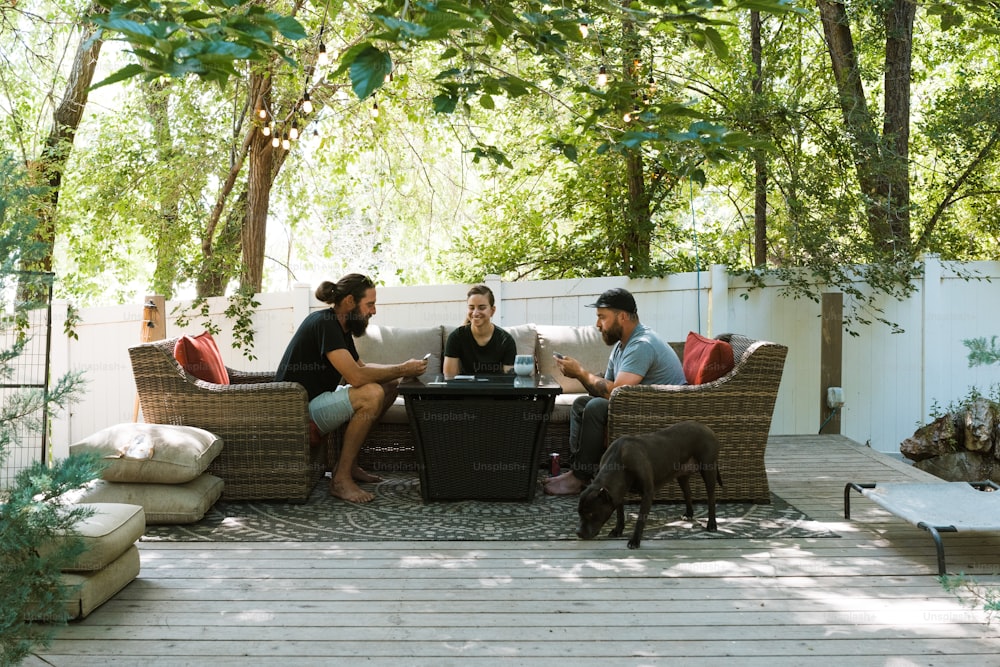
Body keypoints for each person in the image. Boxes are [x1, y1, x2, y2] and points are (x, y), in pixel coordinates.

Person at [275, 274, 428, 503]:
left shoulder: (340, 326)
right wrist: (401, 368)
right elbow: (356, 377)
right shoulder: (324, 323)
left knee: (388, 385)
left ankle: (350, 463)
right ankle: (340, 479)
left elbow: (362, 367)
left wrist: (402, 370)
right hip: (298, 410)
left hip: (316, 401)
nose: (373, 311)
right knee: (371, 393)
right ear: (349, 301)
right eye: (370, 304)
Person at [544, 287, 686, 496]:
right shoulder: (622, 345)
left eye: (602, 317)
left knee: (595, 407)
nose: (597, 325)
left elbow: (616, 394)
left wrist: (581, 372)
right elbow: (605, 387)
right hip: (638, 408)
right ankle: (580, 472)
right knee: (581, 404)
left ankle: (580, 477)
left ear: (622, 316)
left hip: (661, 415)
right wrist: (578, 375)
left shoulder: (642, 344)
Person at [442, 284, 517, 376]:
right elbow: (449, 378)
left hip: (496, 390)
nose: (475, 313)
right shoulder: (456, 337)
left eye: (482, 308)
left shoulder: (506, 340)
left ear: (492, 311)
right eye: (471, 307)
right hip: (465, 389)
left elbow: (509, 381)